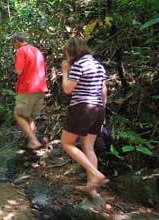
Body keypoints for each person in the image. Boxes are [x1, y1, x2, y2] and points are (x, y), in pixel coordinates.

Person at [61, 37, 108, 198]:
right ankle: (92, 188)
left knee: (67, 143)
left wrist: (65, 71)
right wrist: (103, 113)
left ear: (72, 51)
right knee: (88, 147)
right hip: (98, 109)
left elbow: (67, 89)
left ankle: (95, 174)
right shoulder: (99, 66)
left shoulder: (79, 65)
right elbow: (103, 91)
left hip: (82, 108)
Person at [12, 33, 48, 149]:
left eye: (14, 44)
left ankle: (34, 141)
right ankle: (32, 143)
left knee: (18, 115)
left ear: (17, 41)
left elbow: (19, 70)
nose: (14, 46)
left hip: (28, 87)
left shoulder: (21, 51)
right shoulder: (37, 51)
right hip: (41, 87)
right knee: (29, 116)